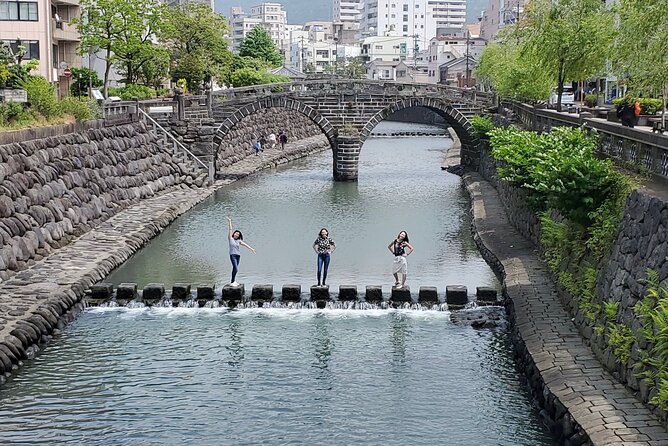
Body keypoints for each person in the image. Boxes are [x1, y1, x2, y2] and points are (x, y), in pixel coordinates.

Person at [227, 216, 256, 287]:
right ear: (234, 234)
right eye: (236, 233)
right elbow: (230, 229)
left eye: (238, 234)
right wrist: (230, 221)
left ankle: (233, 281)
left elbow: (245, 244)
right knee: (235, 268)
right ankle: (232, 282)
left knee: (235, 268)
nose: (237, 234)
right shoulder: (230, 238)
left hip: (238, 256)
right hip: (232, 255)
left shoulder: (238, 241)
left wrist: (252, 249)